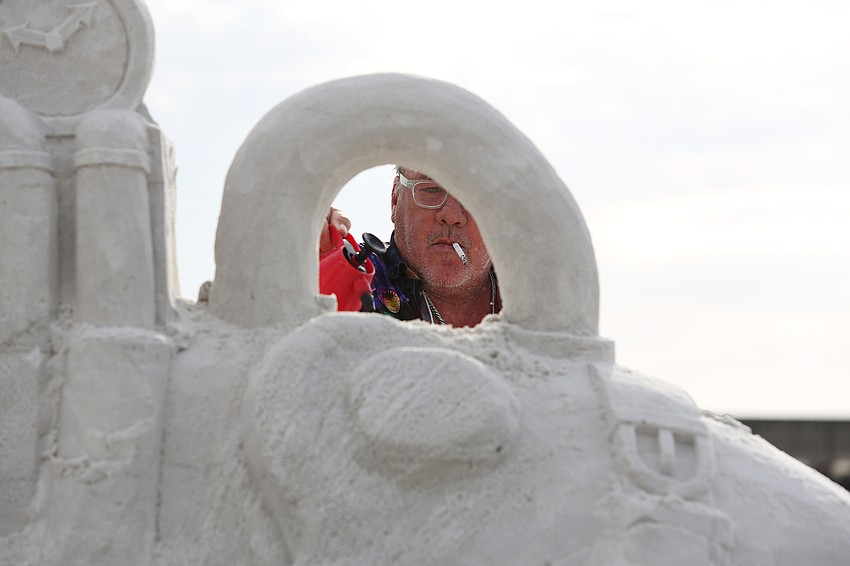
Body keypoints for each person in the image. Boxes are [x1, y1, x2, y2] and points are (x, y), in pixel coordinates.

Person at [319, 167, 500, 327]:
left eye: (475, 196)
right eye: (431, 189)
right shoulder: (348, 275)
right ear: (395, 200)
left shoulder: (526, 291)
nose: (452, 215)